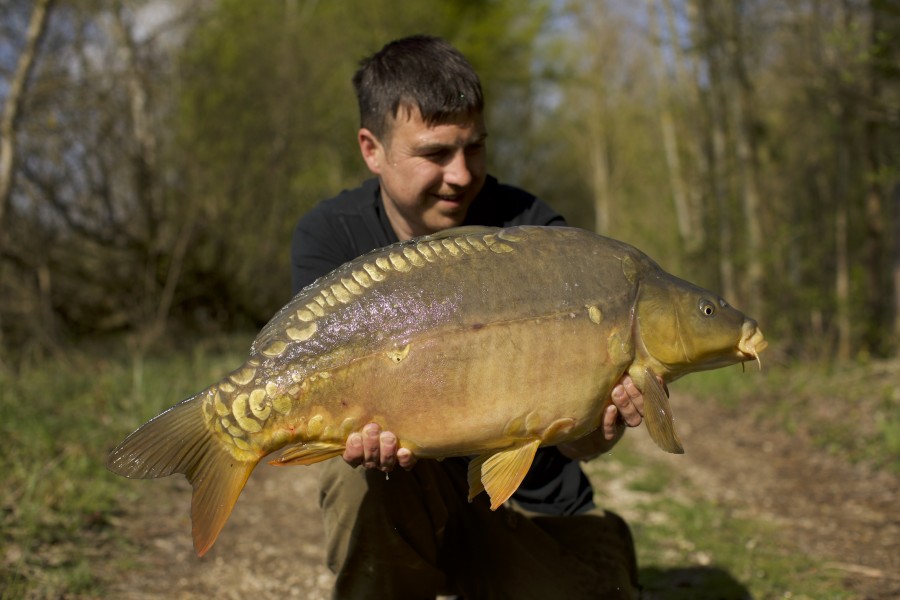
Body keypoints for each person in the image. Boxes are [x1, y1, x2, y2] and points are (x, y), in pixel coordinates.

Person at [291, 35, 645, 600]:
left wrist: (592, 434)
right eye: (435, 154)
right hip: (407, 492)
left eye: (474, 148)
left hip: (529, 513)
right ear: (372, 149)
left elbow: (580, 440)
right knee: (351, 470)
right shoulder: (332, 238)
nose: (461, 174)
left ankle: (597, 551)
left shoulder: (532, 231)